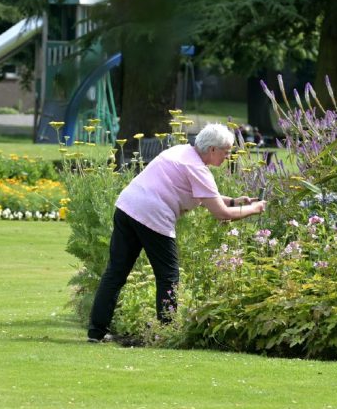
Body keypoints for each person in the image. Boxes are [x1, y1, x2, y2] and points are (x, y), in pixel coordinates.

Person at [87, 123, 266, 343]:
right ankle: (166, 333)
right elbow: (221, 213)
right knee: (168, 277)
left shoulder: (180, 152)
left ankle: (96, 332)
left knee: (115, 273)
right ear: (212, 150)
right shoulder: (198, 170)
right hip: (152, 215)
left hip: (127, 207)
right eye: (226, 151)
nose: (228, 156)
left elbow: (201, 195)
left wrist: (235, 201)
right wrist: (254, 209)